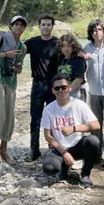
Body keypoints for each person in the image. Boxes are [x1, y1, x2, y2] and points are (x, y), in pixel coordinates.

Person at [41, 73, 100, 188]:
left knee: (93, 141)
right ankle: (64, 170)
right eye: (57, 88)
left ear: (69, 88)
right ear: (52, 90)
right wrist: (64, 152)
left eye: (64, 87)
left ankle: (85, 174)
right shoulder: (48, 109)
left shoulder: (79, 104)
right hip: (59, 148)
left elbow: (96, 125)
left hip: (78, 146)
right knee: (49, 169)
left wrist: (74, 129)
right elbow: (48, 136)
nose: (61, 90)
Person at [0, 15, 27, 165]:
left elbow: (19, 69)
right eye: (16, 24)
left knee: (9, 116)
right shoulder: (0, 39)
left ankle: (4, 148)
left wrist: (18, 68)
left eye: (22, 25)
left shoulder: (23, 47)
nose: (19, 27)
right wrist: (5, 54)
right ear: (10, 26)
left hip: (11, 82)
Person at [24, 14, 60, 162]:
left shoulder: (58, 43)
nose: (46, 27)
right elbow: (17, 50)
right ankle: (34, 149)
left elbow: (71, 53)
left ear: (52, 26)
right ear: (39, 26)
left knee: (54, 118)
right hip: (37, 84)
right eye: (43, 24)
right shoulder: (33, 42)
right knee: (35, 118)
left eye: (48, 24)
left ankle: (54, 148)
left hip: (54, 85)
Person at [83, 19, 104, 165]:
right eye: (94, 30)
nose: (97, 32)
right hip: (94, 91)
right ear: (91, 33)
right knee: (96, 124)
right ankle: (96, 154)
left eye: (100, 29)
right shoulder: (86, 48)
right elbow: (81, 68)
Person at [57, 33, 86, 98]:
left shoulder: (78, 60)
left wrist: (67, 91)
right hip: (64, 92)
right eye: (63, 46)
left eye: (69, 46)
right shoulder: (60, 60)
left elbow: (79, 79)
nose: (66, 49)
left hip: (77, 93)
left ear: (73, 47)